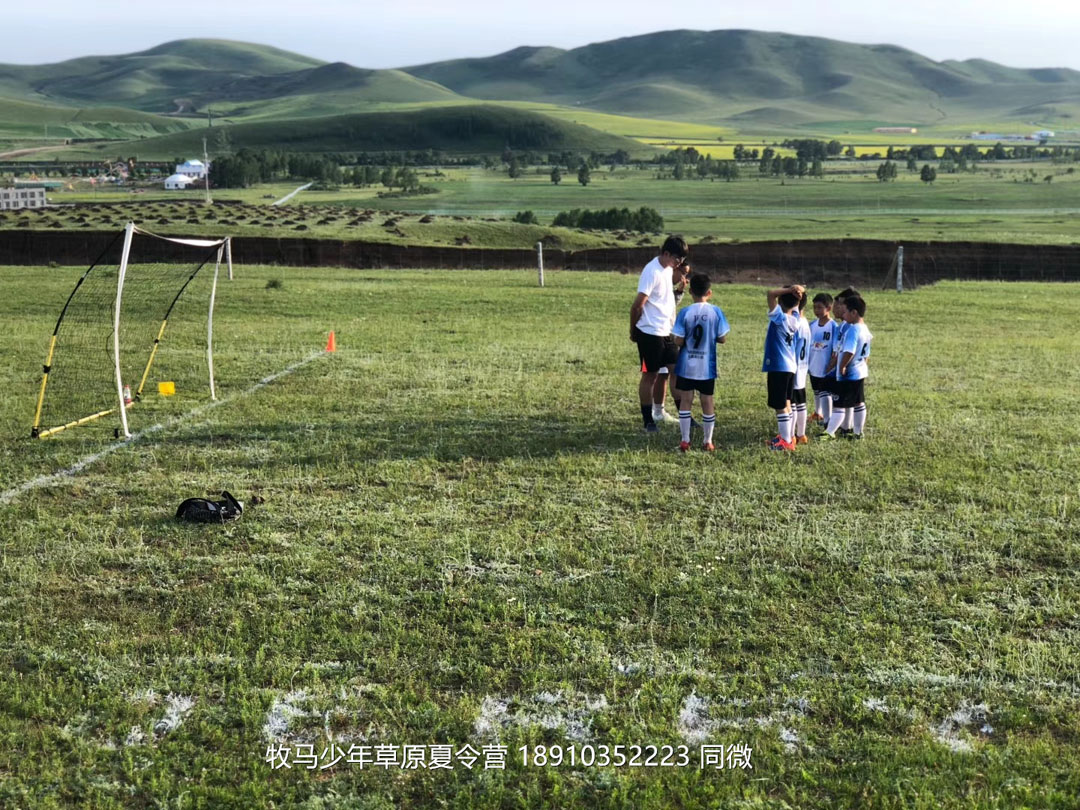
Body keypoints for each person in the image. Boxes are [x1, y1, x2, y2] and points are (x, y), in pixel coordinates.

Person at [630, 235, 689, 433]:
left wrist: (679, 291)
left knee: (677, 372)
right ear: (665, 253)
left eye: (681, 259)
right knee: (650, 375)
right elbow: (638, 305)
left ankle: (685, 417)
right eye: (676, 259)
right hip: (650, 333)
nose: (679, 263)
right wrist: (634, 330)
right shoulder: (651, 271)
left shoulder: (667, 270)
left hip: (667, 332)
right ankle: (648, 421)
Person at [671, 273, 730, 452]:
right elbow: (722, 338)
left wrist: (678, 339)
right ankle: (707, 441)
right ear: (709, 292)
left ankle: (685, 440)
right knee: (707, 401)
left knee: (686, 400)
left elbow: (679, 340)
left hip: (687, 365)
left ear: (690, 292)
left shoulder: (685, 312)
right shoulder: (716, 312)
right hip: (706, 366)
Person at [822, 294, 872, 440]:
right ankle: (857, 433)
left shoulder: (853, 330)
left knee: (840, 404)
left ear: (854, 312)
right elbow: (866, 353)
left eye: (845, 312)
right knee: (858, 402)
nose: (843, 315)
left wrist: (842, 366)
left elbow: (849, 351)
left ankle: (829, 432)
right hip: (861, 371)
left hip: (850, 373)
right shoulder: (865, 329)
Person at [647, 260, 692, 423]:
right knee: (657, 374)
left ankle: (677, 414)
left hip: (668, 333)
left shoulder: (668, 284)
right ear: (673, 268)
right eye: (683, 272)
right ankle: (655, 413)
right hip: (654, 334)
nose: (684, 277)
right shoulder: (658, 279)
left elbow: (669, 304)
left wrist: (679, 292)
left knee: (670, 372)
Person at [762, 283, 805, 451]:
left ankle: (786, 442)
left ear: (780, 302)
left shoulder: (779, 318)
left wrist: (789, 290)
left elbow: (770, 292)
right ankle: (787, 437)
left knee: (780, 406)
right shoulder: (796, 319)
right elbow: (794, 304)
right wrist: (797, 293)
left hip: (779, 366)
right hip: (790, 366)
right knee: (786, 403)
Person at [807, 293, 835, 426]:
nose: (816, 311)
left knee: (826, 392)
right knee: (816, 390)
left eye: (819, 307)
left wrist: (832, 363)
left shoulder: (834, 326)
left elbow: (836, 348)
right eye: (814, 308)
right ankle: (818, 413)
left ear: (828, 308)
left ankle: (828, 419)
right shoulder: (812, 325)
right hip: (813, 364)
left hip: (826, 366)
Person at [791, 291, 812, 445]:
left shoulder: (795, 323)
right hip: (803, 366)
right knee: (801, 402)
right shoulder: (806, 323)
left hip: (794, 367)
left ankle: (790, 435)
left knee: (792, 403)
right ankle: (801, 434)